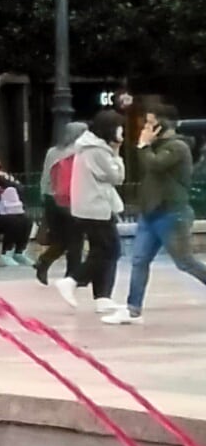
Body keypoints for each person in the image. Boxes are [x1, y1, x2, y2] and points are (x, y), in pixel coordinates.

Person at [107, 96, 199, 325]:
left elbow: (156, 165)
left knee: (184, 262)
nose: (146, 129)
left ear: (162, 125)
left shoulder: (177, 147)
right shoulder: (155, 148)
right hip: (150, 214)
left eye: (150, 124)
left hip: (171, 214)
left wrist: (144, 145)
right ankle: (132, 308)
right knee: (139, 260)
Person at [41, 115, 124, 312]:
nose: (122, 132)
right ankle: (73, 280)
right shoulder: (97, 151)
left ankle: (102, 297)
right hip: (97, 208)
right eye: (120, 128)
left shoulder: (87, 148)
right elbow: (117, 177)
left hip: (88, 207)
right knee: (109, 250)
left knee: (101, 249)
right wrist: (117, 154)